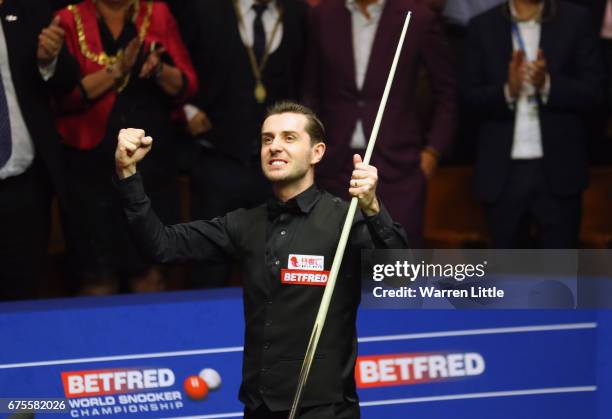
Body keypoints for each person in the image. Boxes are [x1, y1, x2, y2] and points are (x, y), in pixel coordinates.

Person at [114, 101, 408, 418]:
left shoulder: (346, 218)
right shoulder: (243, 224)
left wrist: (374, 209)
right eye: (268, 139)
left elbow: (402, 278)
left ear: (317, 153)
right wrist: (128, 175)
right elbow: (162, 246)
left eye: (289, 138)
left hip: (326, 410)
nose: (275, 147)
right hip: (259, 407)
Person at [54, 0, 197, 294]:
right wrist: (118, 70)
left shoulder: (157, 13)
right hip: (89, 171)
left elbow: (187, 86)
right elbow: (61, 98)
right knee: (97, 278)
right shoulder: (68, 19)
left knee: (150, 274)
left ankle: (153, 340)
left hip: (150, 169)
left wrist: (158, 70)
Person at [175, 0, 309, 287]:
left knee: (274, 275)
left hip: (277, 171)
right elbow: (177, 64)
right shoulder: (204, 8)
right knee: (208, 272)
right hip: (217, 161)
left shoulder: (298, 12)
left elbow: (303, 80)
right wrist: (186, 109)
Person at [302, 0, 457, 248]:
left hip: (398, 167)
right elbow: (310, 89)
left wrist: (432, 152)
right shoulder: (322, 15)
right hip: (333, 164)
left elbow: (446, 93)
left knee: (398, 267)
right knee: (334, 261)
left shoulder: (417, 17)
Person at [463, 0, 605, 247]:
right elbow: (467, 99)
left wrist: (547, 84)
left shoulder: (575, 19)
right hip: (501, 174)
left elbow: (596, 92)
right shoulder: (482, 26)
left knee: (560, 274)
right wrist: (509, 90)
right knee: (507, 274)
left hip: (559, 172)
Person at [0, 0, 78, 300]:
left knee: (22, 296)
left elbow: (68, 81)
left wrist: (50, 60)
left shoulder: (30, 8)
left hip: (26, 185)